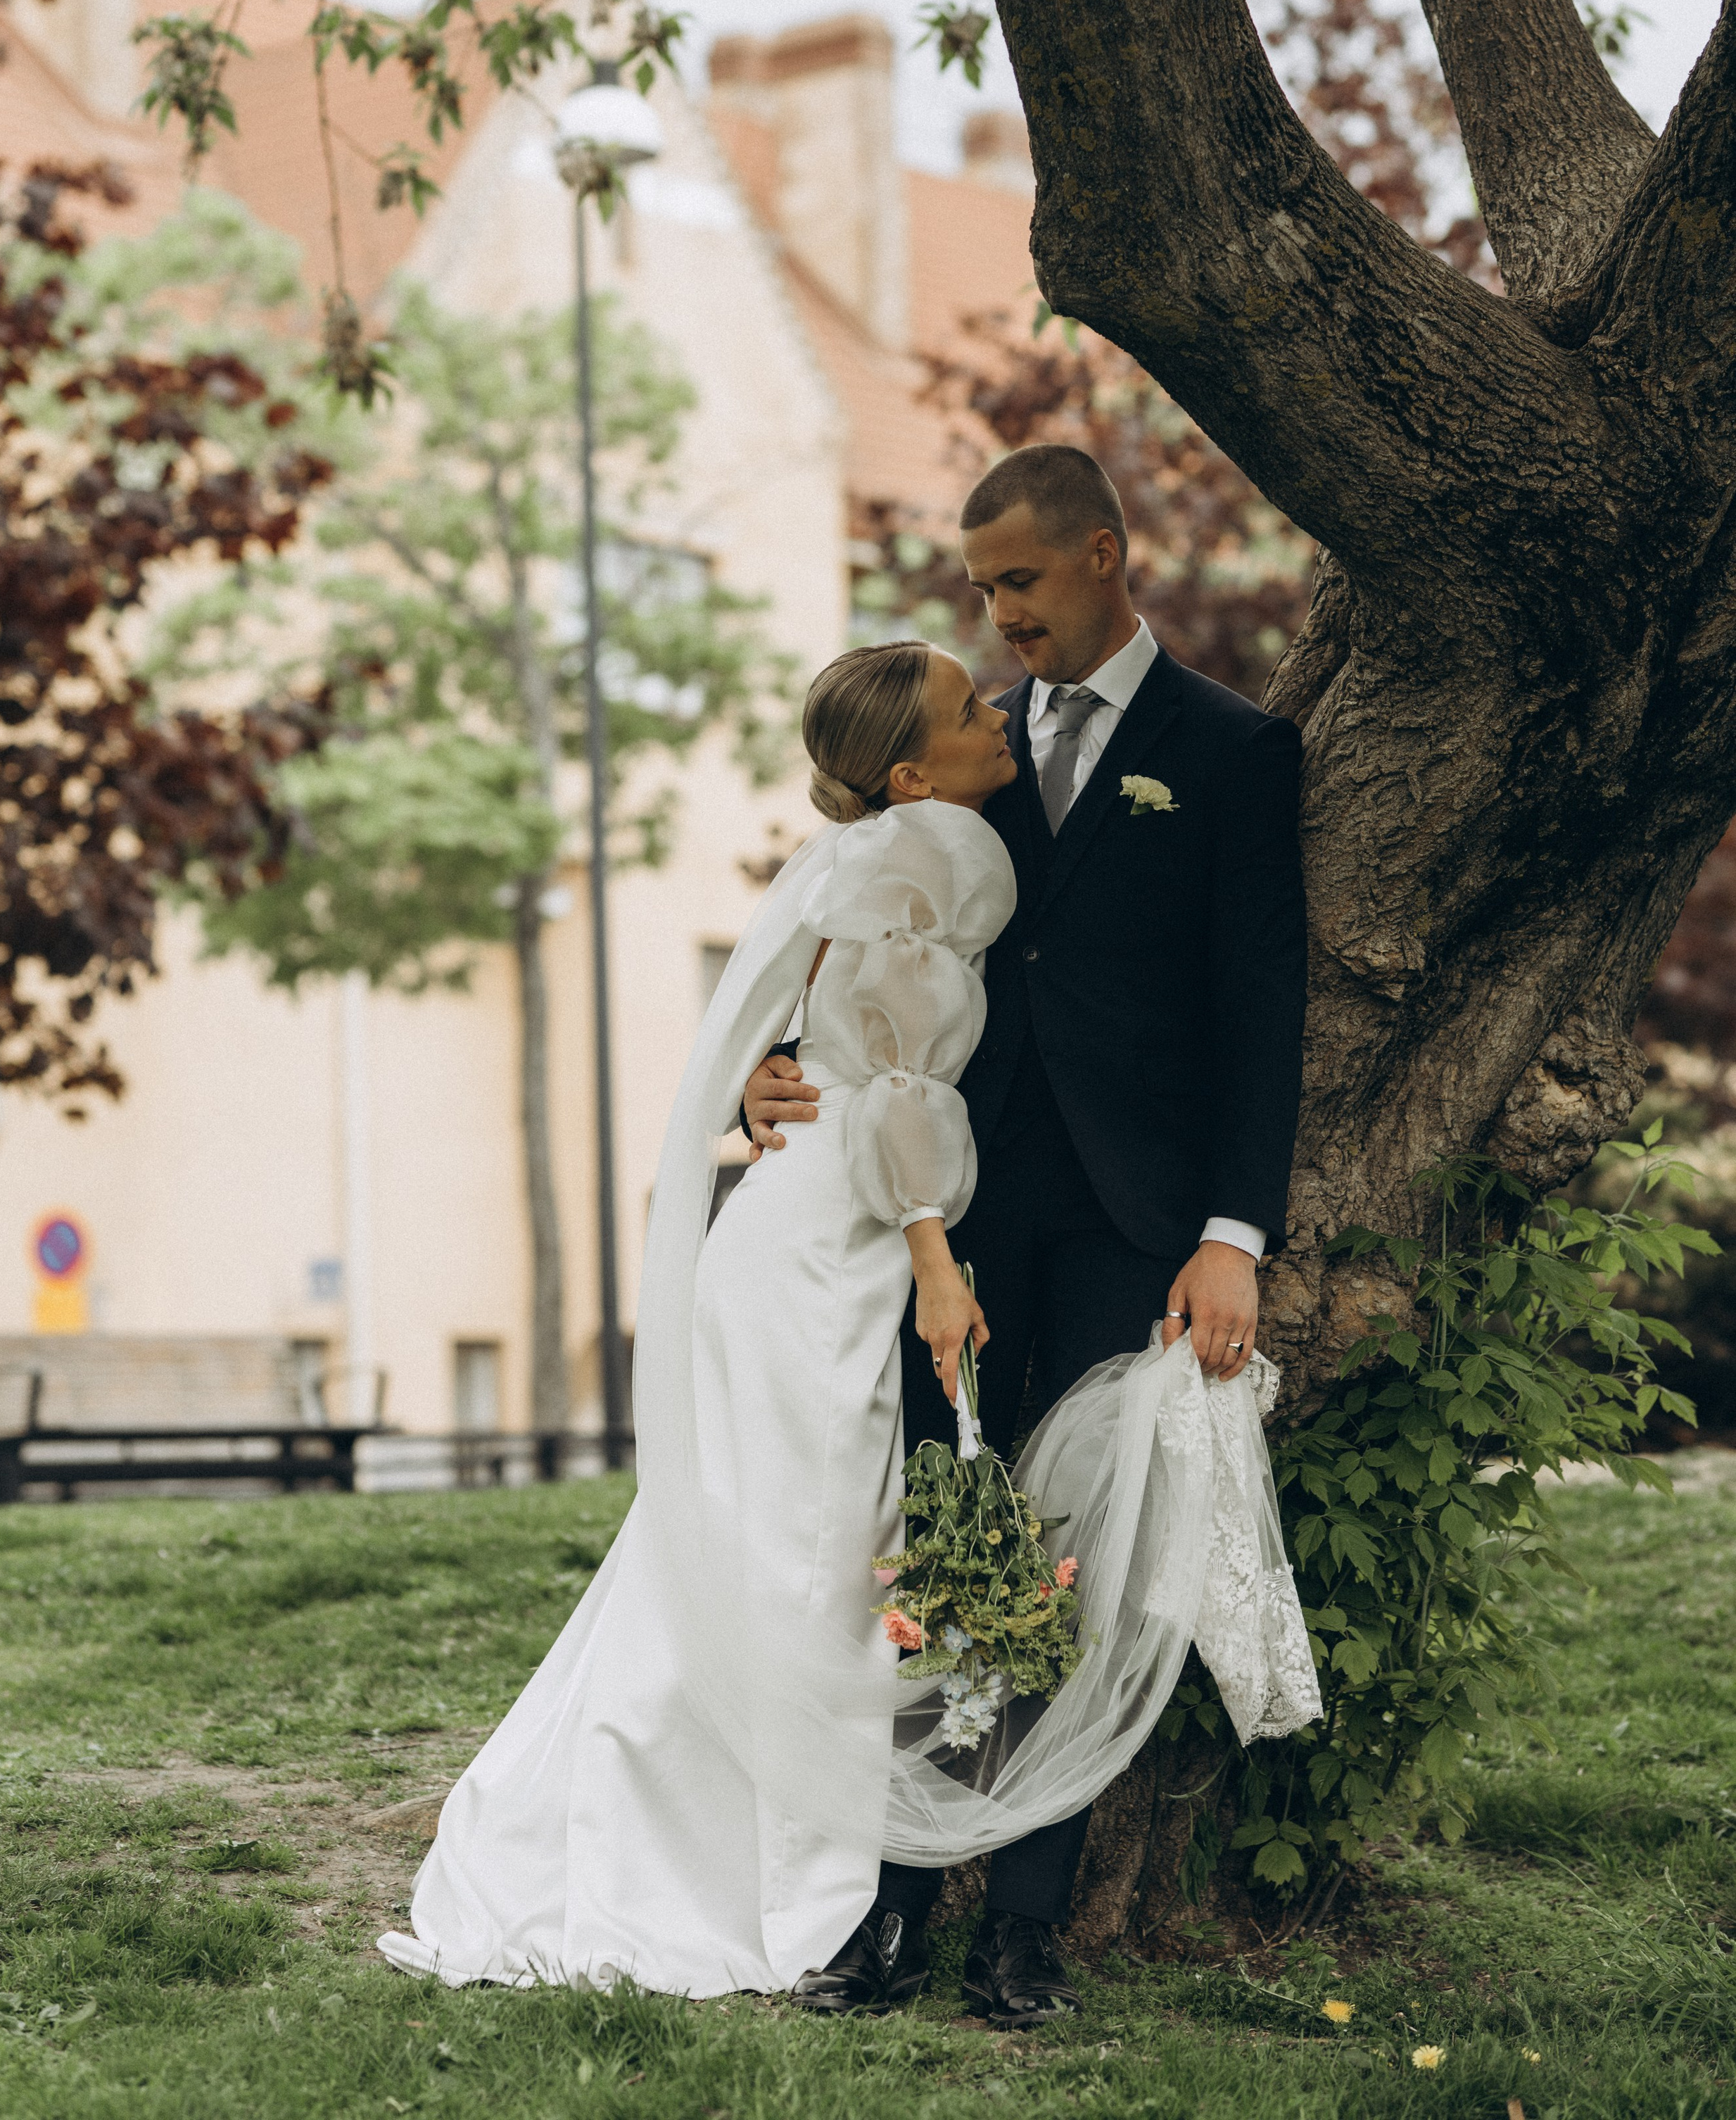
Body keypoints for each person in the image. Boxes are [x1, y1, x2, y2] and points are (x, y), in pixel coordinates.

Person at [379, 618, 1315, 2007]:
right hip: (873, 1239)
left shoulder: (1008, 805)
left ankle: (916, 1898)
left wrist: (778, 1068)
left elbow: (851, 1018)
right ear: (901, 772)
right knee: (828, 1561)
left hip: (901, 1229)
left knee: (808, 1553)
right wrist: (929, 1251)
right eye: (960, 700)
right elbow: (887, 1079)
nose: (991, 696)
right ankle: (807, 1891)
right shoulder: (936, 843)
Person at [747, 445, 1308, 2024]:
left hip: (1132, 1225)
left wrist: (1230, 1231)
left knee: (1069, 1572)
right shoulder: (962, 750)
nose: (998, 620)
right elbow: (866, 946)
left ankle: (1025, 1933)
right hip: (954, 1217)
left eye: (1020, 583)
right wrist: (778, 1066)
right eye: (981, 590)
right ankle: (889, 1913)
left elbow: (1262, 1007)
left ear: (1106, 555)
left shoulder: (1230, 750)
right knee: (934, 1545)